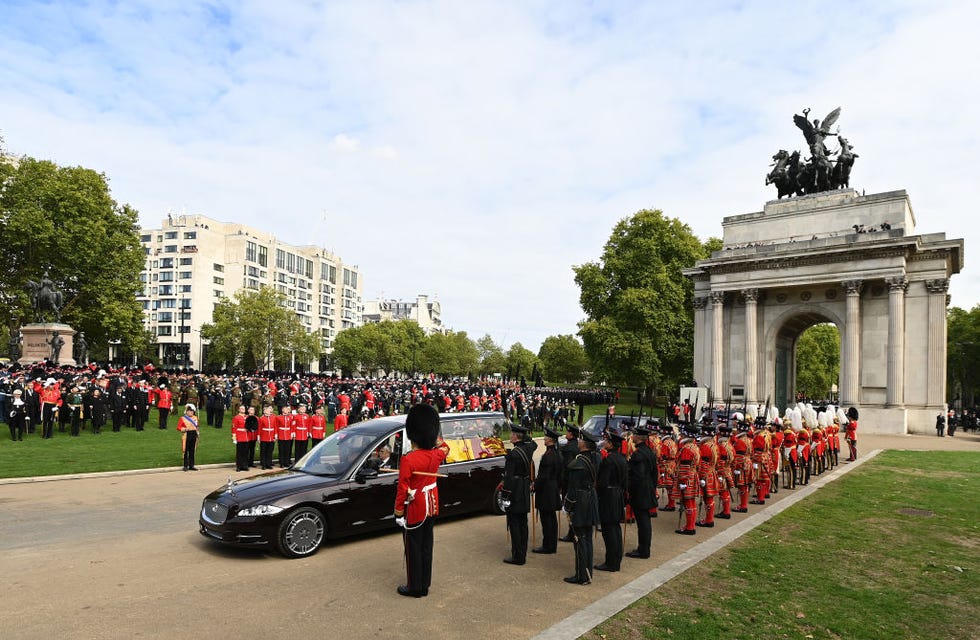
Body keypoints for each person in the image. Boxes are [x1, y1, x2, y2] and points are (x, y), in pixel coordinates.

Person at [393, 403, 449, 598]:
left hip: (416, 507)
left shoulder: (409, 459)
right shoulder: (436, 454)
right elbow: (445, 446)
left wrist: (398, 512)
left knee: (413, 547)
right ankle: (424, 584)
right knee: (427, 546)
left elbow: (402, 489)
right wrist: (434, 438)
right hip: (432, 504)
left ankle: (414, 587)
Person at [563, 428, 599, 585]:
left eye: (580, 440)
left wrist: (568, 506)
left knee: (580, 539)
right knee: (587, 538)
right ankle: (586, 572)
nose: (578, 441)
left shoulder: (578, 464)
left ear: (584, 445)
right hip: (591, 499)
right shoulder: (595, 458)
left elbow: (573, 488)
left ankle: (582, 575)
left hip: (581, 503)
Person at [501, 417, 537, 566]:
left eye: (512, 434)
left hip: (514, 490)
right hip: (524, 488)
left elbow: (508, 478)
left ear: (516, 437)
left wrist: (505, 494)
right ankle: (522, 550)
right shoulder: (528, 448)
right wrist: (524, 433)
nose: (510, 436)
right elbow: (533, 442)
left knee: (514, 523)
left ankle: (518, 556)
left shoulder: (512, 455)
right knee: (523, 522)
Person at [595, 426, 627, 572]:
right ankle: (616, 560)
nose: (605, 442)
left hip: (608, 496)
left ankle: (611, 562)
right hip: (618, 494)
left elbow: (602, 482)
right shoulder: (621, 459)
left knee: (609, 531)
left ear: (611, 444)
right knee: (615, 530)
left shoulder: (608, 460)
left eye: (607, 441)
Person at [626, 422, 657, 558]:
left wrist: (629, 488)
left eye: (634, 435)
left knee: (643, 522)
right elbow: (654, 473)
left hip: (641, 492)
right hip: (648, 489)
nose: (632, 437)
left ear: (638, 438)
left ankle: (643, 550)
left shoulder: (638, 454)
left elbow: (637, 476)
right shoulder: (649, 451)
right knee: (644, 521)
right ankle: (644, 548)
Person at [532, 425, 562, 555]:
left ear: (550, 440)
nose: (544, 439)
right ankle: (551, 544)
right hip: (553, 488)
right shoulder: (556, 453)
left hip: (546, 490)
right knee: (551, 519)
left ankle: (548, 545)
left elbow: (544, 476)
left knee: (547, 519)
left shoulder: (549, 455)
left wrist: (535, 486)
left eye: (546, 437)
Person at [558, 421, 580, 543]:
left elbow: (566, 467)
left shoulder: (568, 448)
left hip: (569, 483)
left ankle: (572, 533)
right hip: (576, 482)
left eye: (568, 432)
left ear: (571, 435)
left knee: (570, 510)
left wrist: (562, 483)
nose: (566, 433)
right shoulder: (577, 445)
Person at [177, 403, 200, 471]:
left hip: (194, 434)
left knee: (192, 451)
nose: (190, 412)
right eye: (189, 411)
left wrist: (198, 432)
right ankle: (185, 465)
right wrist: (183, 429)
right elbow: (178, 427)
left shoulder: (195, 418)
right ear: (186, 412)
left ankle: (191, 465)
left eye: (192, 411)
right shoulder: (183, 418)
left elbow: (197, 426)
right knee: (186, 450)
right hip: (187, 434)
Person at [258, 404, 277, 469]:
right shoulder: (261, 418)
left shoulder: (273, 417)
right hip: (264, 436)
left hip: (271, 436)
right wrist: (259, 436)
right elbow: (259, 428)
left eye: (269, 409)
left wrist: (275, 435)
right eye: (267, 409)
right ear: (264, 411)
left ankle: (268, 464)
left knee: (269, 451)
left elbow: (275, 427)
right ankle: (263, 464)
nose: (269, 411)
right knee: (263, 451)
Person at [232, 405, 249, 471]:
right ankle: (238, 466)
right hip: (239, 436)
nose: (243, 409)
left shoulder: (247, 417)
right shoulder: (236, 417)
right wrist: (234, 438)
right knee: (239, 453)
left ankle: (245, 465)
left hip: (246, 436)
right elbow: (234, 428)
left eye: (244, 408)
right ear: (239, 410)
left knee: (245, 452)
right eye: (241, 408)